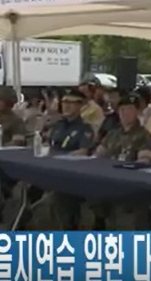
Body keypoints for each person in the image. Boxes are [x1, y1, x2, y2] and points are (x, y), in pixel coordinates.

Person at [92, 94, 151, 229]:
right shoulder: (113, 134)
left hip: (128, 180)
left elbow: (144, 160)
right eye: (122, 110)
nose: (125, 113)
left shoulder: (143, 135)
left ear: (137, 112)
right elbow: (98, 154)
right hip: (107, 177)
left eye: (130, 109)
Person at [47, 89, 95, 229]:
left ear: (80, 106)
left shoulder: (85, 128)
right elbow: (48, 145)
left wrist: (60, 157)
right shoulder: (58, 125)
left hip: (70, 174)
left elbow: (83, 151)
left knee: (58, 199)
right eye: (64, 102)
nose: (66, 106)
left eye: (71, 103)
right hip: (50, 169)